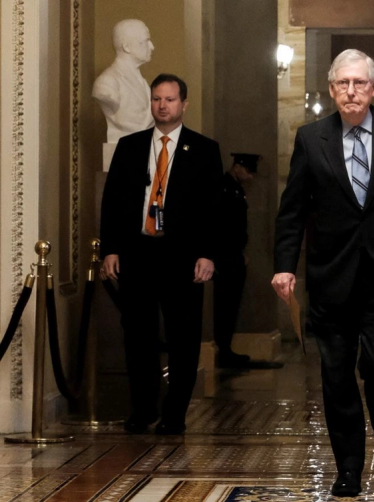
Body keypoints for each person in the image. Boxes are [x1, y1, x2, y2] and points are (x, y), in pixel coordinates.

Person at [272, 49, 374, 497]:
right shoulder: (311, 138)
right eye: (343, 83)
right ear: (331, 89)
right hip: (331, 277)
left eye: (359, 83)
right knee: (336, 375)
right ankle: (347, 466)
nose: (351, 91)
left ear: (373, 87)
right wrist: (285, 266)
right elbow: (292, 211)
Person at [100, 73, 223, 435]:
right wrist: (111, 249)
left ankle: (175, 414)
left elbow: (214, 209)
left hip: (182, 257)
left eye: (169, 99)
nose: (162, 105)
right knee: (138, 336)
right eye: (157, 99)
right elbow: (112, 203)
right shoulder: (130, 146)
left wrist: (208, 254)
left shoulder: (204, 149)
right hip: (138, 253)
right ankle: (143, 409)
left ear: (183, 104)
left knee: (183, 338)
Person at [214, 153, 261, 368]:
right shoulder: (224, 187)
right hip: (225, 255)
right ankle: (223, 349)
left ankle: (226, 348)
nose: (250, 177)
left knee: (232, 304)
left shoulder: (234, 188)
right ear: (237, 167)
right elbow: (225, 226)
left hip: (234, 253)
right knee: (225, 304)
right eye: (248, 171)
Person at [92, 19, 156, 143]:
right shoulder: (106, 82)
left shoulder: (142, 81)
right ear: (126, 47)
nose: (152, 46)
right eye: (145, 41)